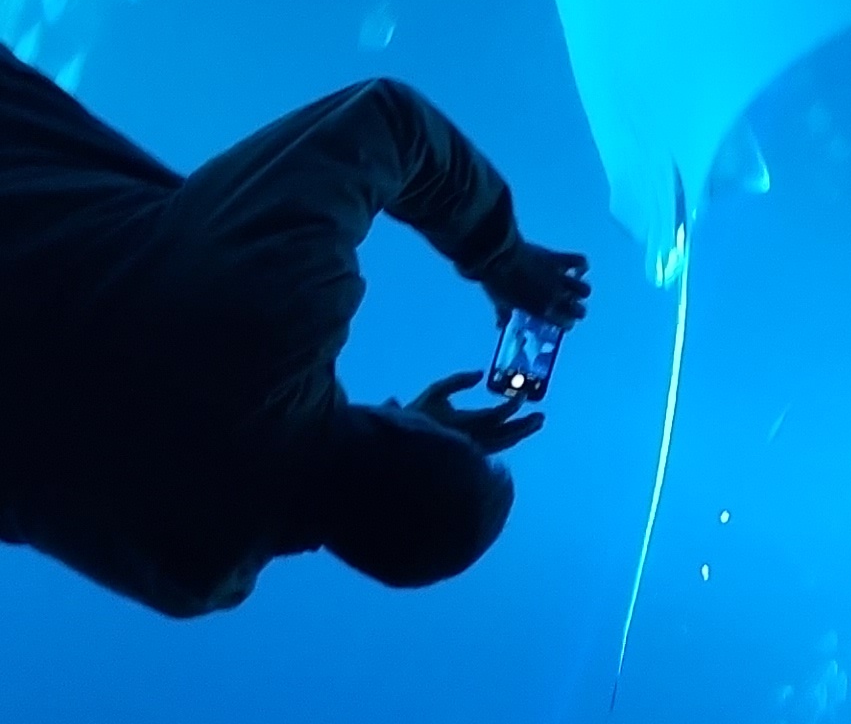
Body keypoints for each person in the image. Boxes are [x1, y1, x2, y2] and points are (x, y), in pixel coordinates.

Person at [0, 49, 588, 619]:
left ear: (398, 426)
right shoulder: (188, 571)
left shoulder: (273, 315)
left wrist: (501, 257)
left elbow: (389, 122)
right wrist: (402, 455)